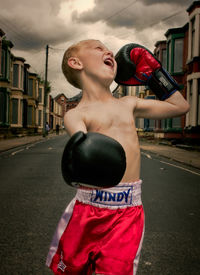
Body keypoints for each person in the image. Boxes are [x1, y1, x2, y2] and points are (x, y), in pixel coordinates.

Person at [46, 39, 190, 275]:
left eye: (108, 49)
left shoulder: (129, 103)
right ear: (76, 62)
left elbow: (180, 106)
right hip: (88, 209)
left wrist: (156, 76)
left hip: (127, 212)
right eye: (98, 48)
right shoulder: (75, 114)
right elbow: (84, 149)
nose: (109, 51)